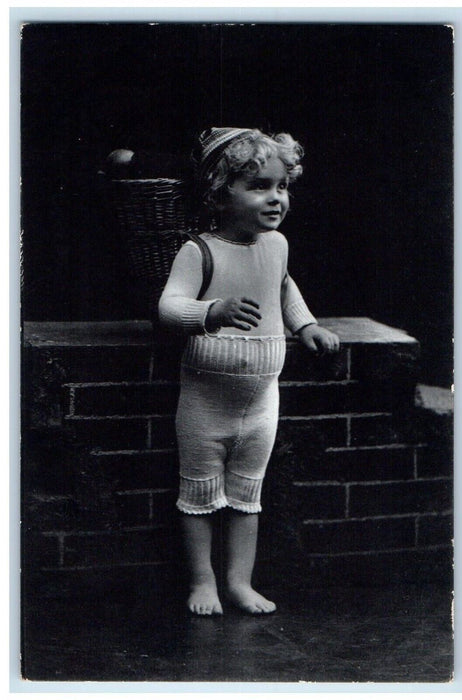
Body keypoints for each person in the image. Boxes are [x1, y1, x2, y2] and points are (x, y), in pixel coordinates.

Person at [159, 127, 340, 616]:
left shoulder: (276, 245)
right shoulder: (200, 250)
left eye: (282, 186)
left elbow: (283, 289)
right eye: (259, 186)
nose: (275, 198)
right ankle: (203, 581)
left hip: (262, 398)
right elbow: (169, 307)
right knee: (198, 490)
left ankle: (240, 581)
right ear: (220, 194)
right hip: (205, 397)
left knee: (246, 494)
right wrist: (210, 312)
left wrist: (307, 326)